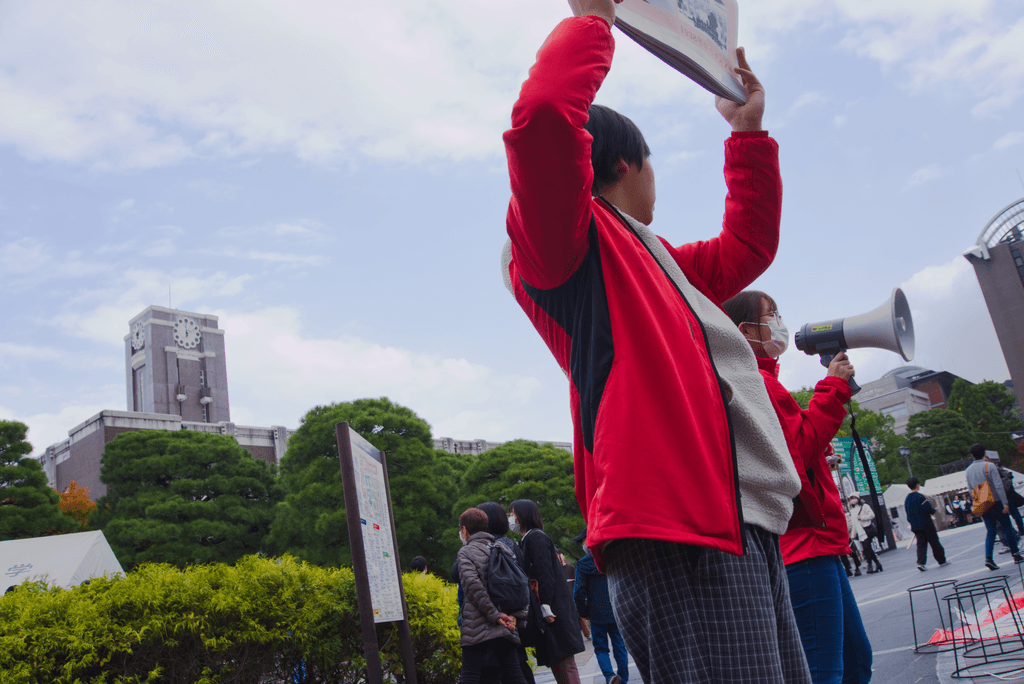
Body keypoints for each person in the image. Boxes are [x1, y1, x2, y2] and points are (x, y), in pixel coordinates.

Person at [501, 2, 808, 681]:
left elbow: (746, 248)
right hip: (678, 527)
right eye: (654, 163)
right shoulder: (569, 247)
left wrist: (747, 133)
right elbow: (545, 119)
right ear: (625, 163)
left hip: (733, 520)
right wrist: (593, 21)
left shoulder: (653, 259)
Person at [723, 290, 872, 684]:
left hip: (815, 543)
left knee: (855, 660)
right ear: (745, 331)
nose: (778, 322)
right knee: (826, 668)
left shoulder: (762, 383)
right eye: (769, 315)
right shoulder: (759, 386)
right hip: (803, 547)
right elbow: (800, 449)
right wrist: (834, 387)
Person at [509, 500, 584, 684]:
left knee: (565, 661)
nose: (511, 517)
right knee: (557, 660)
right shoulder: (528, 538)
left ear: (522, 515)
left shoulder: (536, 537)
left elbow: (545, 573)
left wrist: (545, 605)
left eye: (512, 513)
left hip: (553, 608)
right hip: (549, 606)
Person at [456, 508, 529, 684]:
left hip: (477, 625)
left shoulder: (466, 552)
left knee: (470, 675)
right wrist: (515, 616)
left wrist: (494, 616)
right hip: (506, 623)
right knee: (514, 673)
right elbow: (520, 583)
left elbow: (472, 586)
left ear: (465, 530)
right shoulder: (503, 548)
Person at [478, 501, 537, 684]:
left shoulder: (492, 545)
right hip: (515, 614)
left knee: (507, 669)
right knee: (517, 666)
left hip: (500, 615)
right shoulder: (511, 543)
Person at [574, 529, 629, 684]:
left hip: (596, 613)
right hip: (616, 609)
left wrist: (582, 612)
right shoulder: (613, 558)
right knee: (620, 645)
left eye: (583, 540)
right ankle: (623, 680)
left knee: (601, 648)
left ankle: (609, 676)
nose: (583, 544)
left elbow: (579, 591)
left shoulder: (583, 564)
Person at [965, 443, 1023, 570]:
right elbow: (998, 485)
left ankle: (988, 558)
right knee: (1007, 527)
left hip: (982, 504)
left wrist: (977, 505)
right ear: (983, 453)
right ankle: (1016, 554)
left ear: (972, 455)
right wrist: (1005, 503)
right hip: (996, 501)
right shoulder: (989, 466)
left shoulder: (968, 471)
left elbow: (970, 490)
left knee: (991, 531)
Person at [904, 477, 947, 571]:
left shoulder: (907, 499)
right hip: (926, 524)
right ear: (917, 485)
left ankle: (920, 562)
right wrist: (934, 510)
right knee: (935, 543)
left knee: (921, 545)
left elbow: (907, 513)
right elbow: (928, 509)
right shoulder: (921, 497)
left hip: (915, 526)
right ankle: (942, 561)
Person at [848, 495, 882, 574]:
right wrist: (853, 535)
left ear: (858, 498)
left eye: (854, 498)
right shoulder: (852, 510)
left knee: (867, 547)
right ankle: (877, 563)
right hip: (860, 532)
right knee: (867, 548)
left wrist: (862, 517)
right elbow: (854, 524)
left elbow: (872, 515)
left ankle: (870, 564)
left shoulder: (864, 506)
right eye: (851, 499)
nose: (852, 500)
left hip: (867, 529)